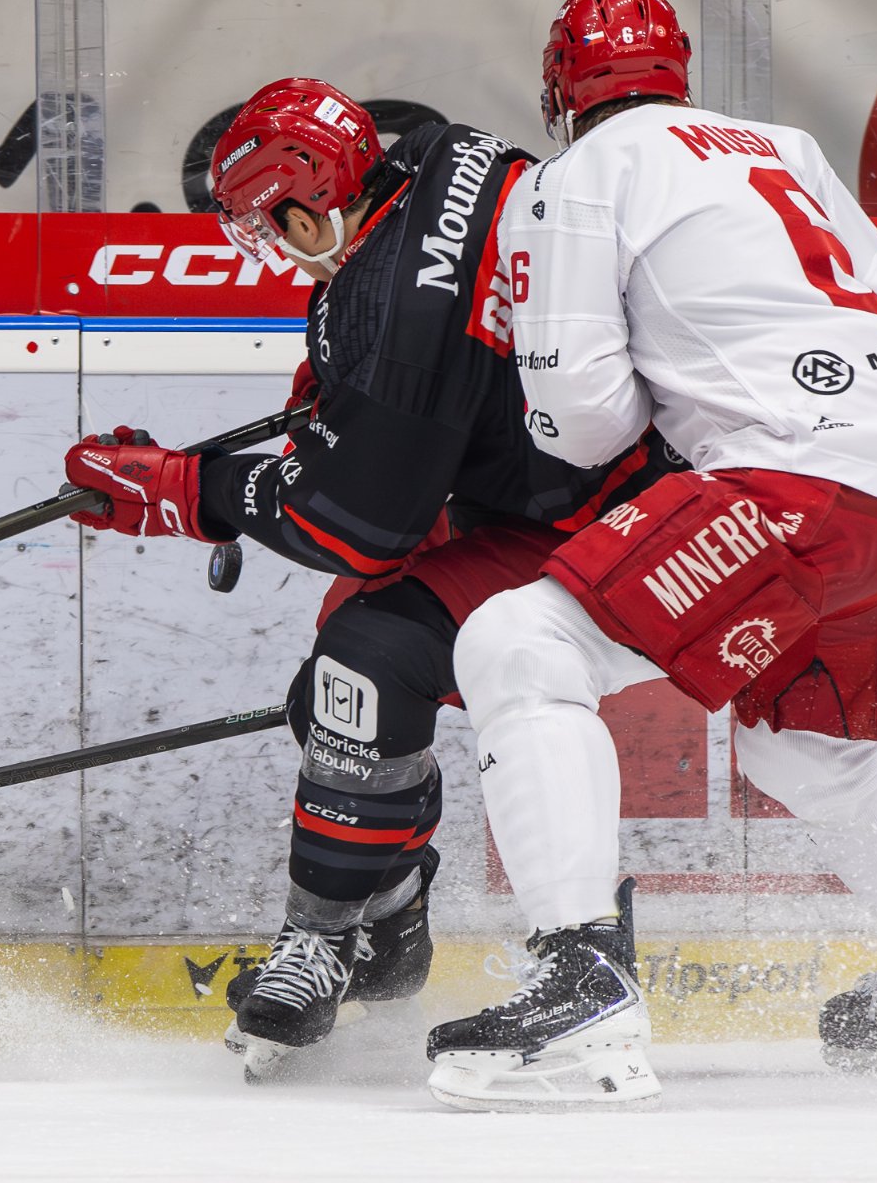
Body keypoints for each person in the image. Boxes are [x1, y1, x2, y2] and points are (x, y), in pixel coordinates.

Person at [424, 0, 877, 1111]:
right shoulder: (782, 145)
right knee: (809, 752)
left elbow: (582, 419)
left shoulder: (576, 175)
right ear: (678, 72)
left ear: (562, 92)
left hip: (793, 482)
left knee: (519, 644)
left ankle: (580, 996)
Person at [59, 77, 671, 1078]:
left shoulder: (392, 300)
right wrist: (342, 400)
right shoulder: (447, 165)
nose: (277, 248)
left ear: (308, 211)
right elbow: (432, 408)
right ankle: (387, 915)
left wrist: (180, 490)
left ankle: (322, 938)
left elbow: (357, 524)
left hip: (629, 530)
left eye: (270, 227)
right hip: (589, 499)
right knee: (335, 690)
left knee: (366, 657)